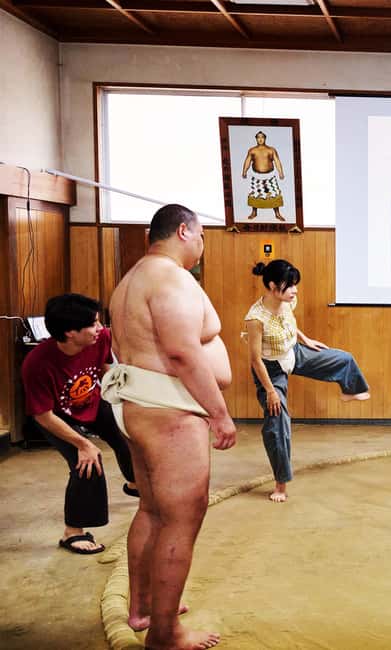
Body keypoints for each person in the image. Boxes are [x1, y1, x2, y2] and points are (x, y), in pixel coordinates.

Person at [103, 203, 236, 649]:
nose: (202, 246)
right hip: (169, 410)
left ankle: (144, 608)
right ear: (183, 231)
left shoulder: (132, 279)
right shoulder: (171, 278)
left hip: (139, 404)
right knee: (182, 516)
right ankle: (164, 634)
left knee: (153, 510)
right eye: (201, 236)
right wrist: (219, 413)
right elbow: (181, 351)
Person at [21, 293, 138, 555]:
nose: (100, 328)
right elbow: (43, 415)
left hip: (92, 401)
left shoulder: (100, 338)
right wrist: (83, 444)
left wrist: (121, 398)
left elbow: (104, 365)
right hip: (56, 416)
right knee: (87, 461)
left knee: (129, 431)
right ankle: (72, 532)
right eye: (93, 324)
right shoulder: (36, 364)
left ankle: (135, 484)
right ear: (70, 333)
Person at [245, 259, 371, 503]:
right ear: (272, 286)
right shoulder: (255, 319)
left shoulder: (287, 301)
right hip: (270, 369)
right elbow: (255, 359)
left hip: (293, 352)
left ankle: (349, 390)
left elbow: (290, 323)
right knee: (277, 423)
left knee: (343, 359)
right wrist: (270, 391)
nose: (295, 290)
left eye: (295, 285)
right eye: (290, 285)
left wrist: (306, 339)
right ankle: (281, 484)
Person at [242, 130, 286, 221]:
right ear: (256, 139)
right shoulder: (252, 150)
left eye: (262, 137)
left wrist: (280, 172)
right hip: (256, 176)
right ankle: (254, 212)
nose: (260, 139)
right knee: (255, 194)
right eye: (258, 137)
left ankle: (277, 213)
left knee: (274, 193)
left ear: (265, 138)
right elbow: (247, 161)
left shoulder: (271, 150)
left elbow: (277, 161)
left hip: (270, 176)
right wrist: (244, 171)